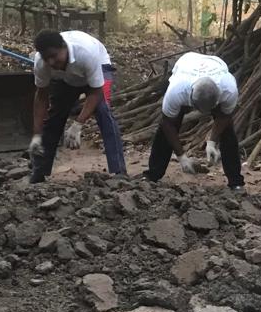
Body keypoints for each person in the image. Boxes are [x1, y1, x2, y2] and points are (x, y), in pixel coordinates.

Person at [27, 29, 126, 183]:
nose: (51, 62)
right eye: (47, 58)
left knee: (103, 112)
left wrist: (78, 124)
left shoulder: (86, 54)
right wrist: (37, 134)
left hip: (98, 66)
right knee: (55, 116)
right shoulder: (41, 63)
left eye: (54, 56)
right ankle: (39, 171)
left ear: (63, 47)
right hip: (67, 78)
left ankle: (119, 170)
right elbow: (41, 97)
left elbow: (96, 92)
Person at [143, 51, 244, 191]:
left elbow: (224, 117)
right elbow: (167, 123)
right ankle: (153, 174)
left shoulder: (228, 89)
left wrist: (212, 142)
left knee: (228, 132)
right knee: (166, 130)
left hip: (215, 65)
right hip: (187, 63)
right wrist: (181, 156)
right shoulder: (177, 90)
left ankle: (236, 181)